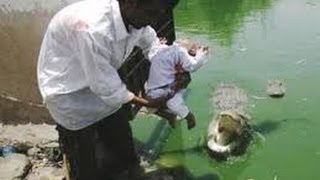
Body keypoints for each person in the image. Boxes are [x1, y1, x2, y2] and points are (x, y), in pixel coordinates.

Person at [37, 0, 180, 179]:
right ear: (131, 3)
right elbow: (105, 85)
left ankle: (128, 169)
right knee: (84, 160)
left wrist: (171, 64)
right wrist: (149, 103)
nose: (153, 20)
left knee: (122, 143)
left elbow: (151, 43)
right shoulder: (92, 29)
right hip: (69, 94)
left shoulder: (136, 17)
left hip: (101, 85)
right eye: (152, 14)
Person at [146, 39, 209, 130]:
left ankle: (173, 115)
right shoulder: (181, 52)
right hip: (163, 86)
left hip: (159, 86)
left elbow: (151, 53)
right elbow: (193, 65)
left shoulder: (165, 49)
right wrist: (202, 54)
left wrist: (158, 43)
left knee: (155, 105)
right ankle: (188, 116)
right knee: (173, 103)